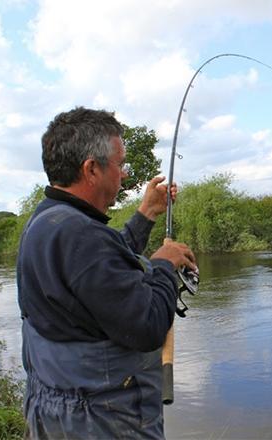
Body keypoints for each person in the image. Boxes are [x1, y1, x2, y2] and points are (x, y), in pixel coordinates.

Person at [17, 107, 196, 439]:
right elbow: (147, 327)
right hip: (99, 421)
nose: (124, 173)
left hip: (56, 412)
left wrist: (147, 213)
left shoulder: (48, 221)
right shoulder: (80, 236)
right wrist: (164, 265)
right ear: (91, 169)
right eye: (119, 163)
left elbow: (100, 275)